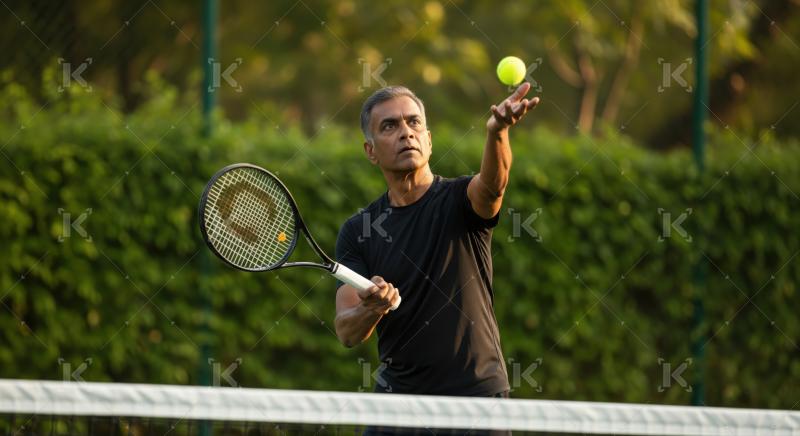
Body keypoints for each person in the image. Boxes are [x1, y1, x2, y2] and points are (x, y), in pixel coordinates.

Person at [334, 83, 539, 434]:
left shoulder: (460, 200)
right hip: (397, 407)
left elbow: (492, 187)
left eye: (414, 123)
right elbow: (346, 331)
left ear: (428, 139)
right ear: (370, 151)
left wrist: (498, 132)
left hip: (475, 401)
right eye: (390, 126)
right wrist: (372, 307)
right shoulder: (359, 230)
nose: (405, 133)